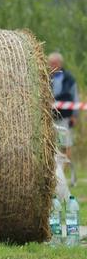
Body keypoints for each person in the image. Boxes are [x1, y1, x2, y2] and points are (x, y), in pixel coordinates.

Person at [49, 52, 78, 185]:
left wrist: (74, 115)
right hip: (50, 118)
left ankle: (65, 174)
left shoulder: (69, 79)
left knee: (65, 145)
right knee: (52, 145)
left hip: (65, 117)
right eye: (50, 64)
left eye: (54, 64)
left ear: (59, 64)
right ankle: (54, 173)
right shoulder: (46, 77)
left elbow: (75, 98)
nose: (51, 66)